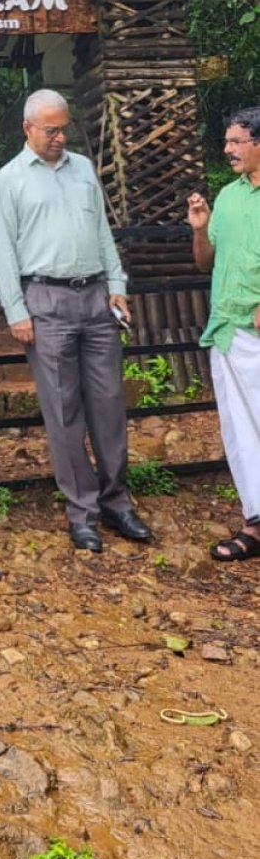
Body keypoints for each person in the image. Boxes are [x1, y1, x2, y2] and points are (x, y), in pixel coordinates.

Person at [0, 89, 151, 553]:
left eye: (63, 128)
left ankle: (117, 501)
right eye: (50, 130)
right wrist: (16, 310)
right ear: (27, 129)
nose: (60, 137)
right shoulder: (9, 179)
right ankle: (82, 511)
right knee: (63, 412)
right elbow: (3, 249)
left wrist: (117, 282)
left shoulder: (82, 169)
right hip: (45, 299)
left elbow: (101, 230)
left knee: (108, 405)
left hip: (96, 296)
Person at [187, 105, 260, 563]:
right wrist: (199, 230)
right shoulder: (229, 197)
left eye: (236, 141)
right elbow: (204, 262)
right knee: (240, 432)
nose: (227, 149)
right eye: (228, 141)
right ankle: (256, 523)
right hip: (228, 332)